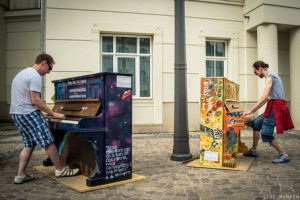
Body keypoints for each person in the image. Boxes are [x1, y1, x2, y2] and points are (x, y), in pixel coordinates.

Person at [10, 54, 79, 184]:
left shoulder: (22, 73)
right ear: (44, 63)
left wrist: (42, 115)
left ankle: (20, 175)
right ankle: (60, 169)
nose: (48, 72)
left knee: (28, 144)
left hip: (17, 113)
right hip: (28, 113)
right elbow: (35, 100)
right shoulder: (35, 75)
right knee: (48, 141)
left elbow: (23, 100)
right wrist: (54, 114)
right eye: (50, 68)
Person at [243, 61, 294, 163]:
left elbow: (265, 96)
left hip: (277, 108)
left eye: (255, 72)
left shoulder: (270, 77)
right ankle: (253, 150)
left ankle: (283, 155)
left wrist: (251, 110)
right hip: (272, 106)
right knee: (256, 123)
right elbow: (266, 99)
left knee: (266, 133)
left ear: (260, 68)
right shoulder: (271, 77)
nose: (256, 74)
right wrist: (253, 110)